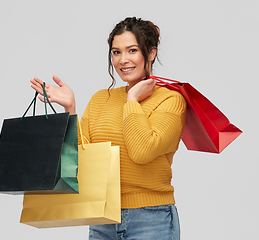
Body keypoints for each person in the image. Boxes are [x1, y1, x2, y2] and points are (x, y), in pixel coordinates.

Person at [30, 17, 186, 240]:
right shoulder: (101, 99)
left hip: (152, 219)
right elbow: (80, 159)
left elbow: (142, 151)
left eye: (132, 50)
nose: (123, 60)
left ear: (150, 53)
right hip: (103, 218)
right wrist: (70, 108)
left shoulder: (171, 101)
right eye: (116, 52)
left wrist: (132, 100)